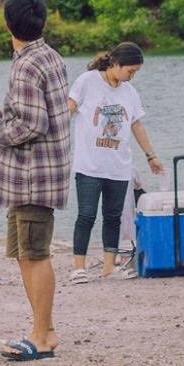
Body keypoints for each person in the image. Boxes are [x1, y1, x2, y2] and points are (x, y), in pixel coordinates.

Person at [0, 0, 71, 361]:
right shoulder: (49, 56)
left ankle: (41, 338)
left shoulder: (26, 64)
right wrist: (2, 114)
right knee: (24, 254)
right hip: (35, 174)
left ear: (7, 24)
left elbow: (31, 125)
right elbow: (37, 112)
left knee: (35, 254)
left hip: (32, 176)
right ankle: (45, 330)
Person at [66, 42, 163, 283]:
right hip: (89, 165)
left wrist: (151, 155)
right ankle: (78, 268)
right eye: (130, 71)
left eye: (135, 72)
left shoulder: (129, 92)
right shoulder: (87, 81)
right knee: (86, 215)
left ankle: (108, 267)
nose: (132, 76)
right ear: (116, 64)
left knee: (113, 217)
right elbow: (69, 108)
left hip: (119, 166)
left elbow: (136, 124)